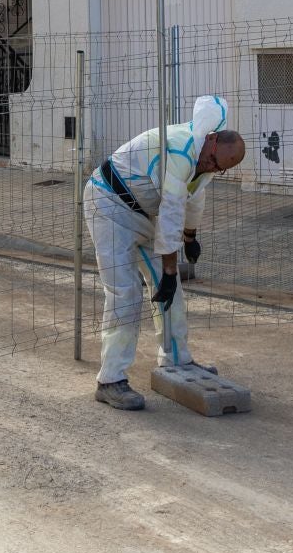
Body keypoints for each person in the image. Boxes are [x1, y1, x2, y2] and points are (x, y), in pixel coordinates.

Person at [84, 94, 246, 409]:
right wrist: (171, 268)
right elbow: (172, 209)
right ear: (211, 141)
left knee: (171, 293)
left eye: (221, 169)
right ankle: (110, 379)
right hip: (109, 203)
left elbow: (194, 197)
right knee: (125, 291)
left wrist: (190, 236)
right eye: (214, 162)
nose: (214, 169)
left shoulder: (206, 158)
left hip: (143, 212)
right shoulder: (183, 148)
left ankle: (177, 358)